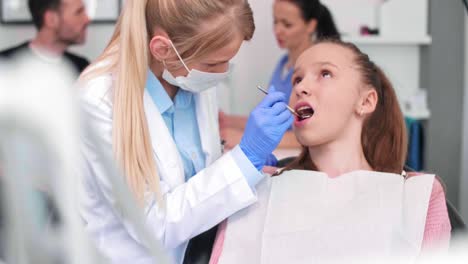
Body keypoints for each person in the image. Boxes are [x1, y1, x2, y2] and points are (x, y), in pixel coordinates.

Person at [78, 0, 293, 263]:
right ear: (162, 49)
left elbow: (197, 175)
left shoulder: (187, 79)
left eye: (228, 61)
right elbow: (154, 225)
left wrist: (246, 167)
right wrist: (244, 160)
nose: (222, 73)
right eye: (214, 64)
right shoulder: (100, 100)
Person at [209, 39, 451, 263]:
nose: (301, 87)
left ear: (365, 102)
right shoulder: (254, 187)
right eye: (297, 79)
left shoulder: (418, 198)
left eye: (325, 73)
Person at [220, 0, 339, 151]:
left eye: (287, 24)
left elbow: (319, 135)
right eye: (275, 22)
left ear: (311, 25)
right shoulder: (283, 64)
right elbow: (273, 119)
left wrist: (246, 137)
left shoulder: (321, 69)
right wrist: (228, 121)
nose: (278, 30)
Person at [0, 0, 90, 76]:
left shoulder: (82, 68)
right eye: (78, 12)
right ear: (51, 19)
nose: (87, 19)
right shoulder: (5, 65)